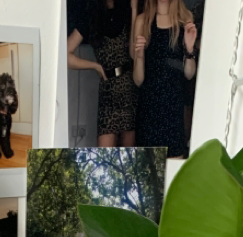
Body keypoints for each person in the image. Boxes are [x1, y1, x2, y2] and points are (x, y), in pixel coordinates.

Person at [67, 0, 139, 148]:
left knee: (131, 161)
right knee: (104, 159)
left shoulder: (126, 11)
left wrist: (134, 8)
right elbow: (65, 55)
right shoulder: (90, 16)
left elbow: (134, 53)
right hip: (108, 93)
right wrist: (95, 66)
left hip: (129, 90)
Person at [133, 0, 198, 159]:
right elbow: (138, 80)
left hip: (173, 108)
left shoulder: (185, 19)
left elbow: (189, 74)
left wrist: (189, 50)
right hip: (149, 108)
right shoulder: (143, 21)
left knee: (174, 172)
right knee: (149, 175)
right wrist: (140, 57)